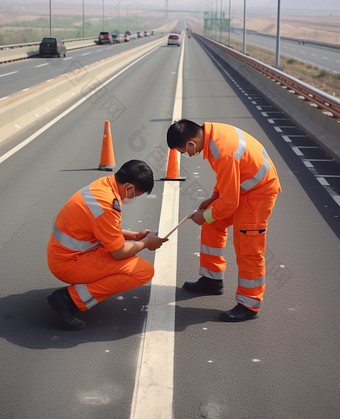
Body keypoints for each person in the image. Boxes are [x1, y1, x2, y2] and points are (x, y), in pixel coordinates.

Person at [166, 120, 281, 322]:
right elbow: (228, 177)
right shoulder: (213, 136)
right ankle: (212, 279)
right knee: (213, 222)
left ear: (191, 143)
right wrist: (214, 197)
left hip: (258, 194)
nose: (187, 155)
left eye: (184, 151)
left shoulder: (223, 149)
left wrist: (204, 216)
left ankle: (249, 303)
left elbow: (229, 202)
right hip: (242, 189)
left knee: (248, 247)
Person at [47, 160, 167, 330]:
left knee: (129, 258)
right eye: (136, 195)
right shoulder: (107, 206)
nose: (133, 199)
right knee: (142, 271)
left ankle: (74, 293)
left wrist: (134, 236)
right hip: (68, 263)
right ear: (129, 188)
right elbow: (118, 252)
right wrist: (146, 243)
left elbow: (104, 229)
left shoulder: (104, 186)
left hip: (64, 254)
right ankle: (69, 299)